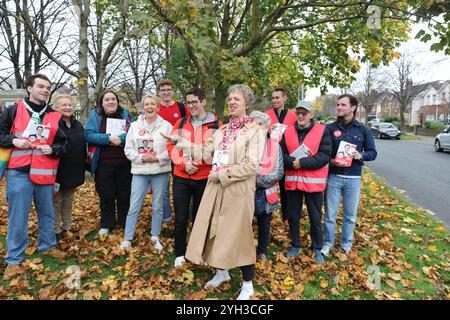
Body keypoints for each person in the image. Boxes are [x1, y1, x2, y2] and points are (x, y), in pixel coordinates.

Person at [163, 84, 265, 300]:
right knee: (215, 231)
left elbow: (251, 166)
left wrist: (222, 174)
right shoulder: (223, 130)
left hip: (237, 190)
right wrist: (179, 142)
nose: (232, 102)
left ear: (247, 102)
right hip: (216, 188)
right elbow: (203, 152)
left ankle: (248, 284)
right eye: (230, 98)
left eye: (237, 99)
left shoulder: (256, 130)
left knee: (239, 235)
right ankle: (222, 272)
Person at [0, 73, 70, 280]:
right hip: (19, 173)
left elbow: (65, 144)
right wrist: (14, 140)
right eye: (41, 86)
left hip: (45, 174)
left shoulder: (54, 115)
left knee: (47, 214)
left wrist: (54, 149)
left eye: (48, 87)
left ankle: (47, 246)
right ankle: (13, 259)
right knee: (18, 217)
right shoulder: (12, 111)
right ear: (29, 88)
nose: (45, 90)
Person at [166, 88, 221, 267]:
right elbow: (171, 145)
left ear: (203, 102)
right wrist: (183, 164)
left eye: (194, 102)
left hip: (204, 178)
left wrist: (202, 165)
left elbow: (220, 151)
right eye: (188, 103)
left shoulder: (217, 125)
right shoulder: (180, 123)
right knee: (181, 217)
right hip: (182, 176)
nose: (191, 106)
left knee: (201, 217)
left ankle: (199, 253)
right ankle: (180, 253)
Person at [322, 94, 377, 256]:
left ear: (353, 108)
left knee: (350, 215)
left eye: (343, 105)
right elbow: (324, 152)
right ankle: (328, 243)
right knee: (330, 214)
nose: (339, 107)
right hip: (333, 177)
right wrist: (332, 161)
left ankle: (346, 244)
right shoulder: (330, 129)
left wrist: (361, 156)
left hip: (353, 179)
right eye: (338, 104)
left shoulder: (363, 130)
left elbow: (373, 153)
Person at [119, 95, 172, 251]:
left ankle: (155, 236)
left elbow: (172, 149)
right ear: (142, 107)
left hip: (160, 171)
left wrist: (157, 158)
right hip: (140, 171)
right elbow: (128, 149)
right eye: (146, 104)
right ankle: (127, 239)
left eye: (152, 104)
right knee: (134, 205)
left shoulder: (167, 126)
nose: (149, 107)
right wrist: (142, 158)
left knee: (157, 205)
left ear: (158, 107)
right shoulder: (135, 126)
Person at [280, 101, 331, 263]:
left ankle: (317, 248)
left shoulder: (322, 131)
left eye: (304, 113)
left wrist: (302, 163)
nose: (300, 116)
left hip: (313, 183)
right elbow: (281, 154)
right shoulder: (287, 132)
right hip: (293, 183)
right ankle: (295, 245)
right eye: (298, 113)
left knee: (315, 217)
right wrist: (291, 162)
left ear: (311, 115)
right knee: (293, 216)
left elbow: (324, 155)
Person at [85, 90, 133, 237]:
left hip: (124, 163)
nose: (111, 102)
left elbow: (134, 132)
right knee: (106, 195)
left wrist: (122, 139)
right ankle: (107, 223)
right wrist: (108, 139)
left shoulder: (126, 114)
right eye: (107, 100)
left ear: (117, 101)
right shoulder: (95, 115)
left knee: (125, 194)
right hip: (103, 163)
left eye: (113, 99)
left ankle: (125, 222)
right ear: (102, 103)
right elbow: (88, 134)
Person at [249, 111, 284, 262]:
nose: (257, 128)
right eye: (254, 124)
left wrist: (257, 180)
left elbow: (279, 172)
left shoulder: (275, 146)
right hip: (247, 191)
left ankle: (262, 251)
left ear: (268, 127)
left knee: (264, 224)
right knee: (244, 224)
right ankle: (245, 250)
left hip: (266, 192)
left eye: (261, 124)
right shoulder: (245, 145)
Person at [52, 94, 86, 241]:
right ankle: (55, 229)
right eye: (63, 105)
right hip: (57, 170)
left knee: (68, 200)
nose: (67, 107)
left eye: (69, 105)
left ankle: (67, 225)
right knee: (56, 201)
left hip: (74, 169)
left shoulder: (78, 124)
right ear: (56, 108)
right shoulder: (53, 124)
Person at [157, 79, 190, 223]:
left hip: (179, 151)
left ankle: (183, 215)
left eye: (168, 89)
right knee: (163, 188)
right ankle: (166, 217)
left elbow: (190, 125)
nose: (166, 92)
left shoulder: (182, 108)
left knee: (180, 186)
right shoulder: (156, 108)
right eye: (163, 90)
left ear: (172, 91)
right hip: (161, 152)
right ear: (159, 92)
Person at [265, 88, 296, 224]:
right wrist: (266, 131)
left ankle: (286, 217)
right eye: (273, 98)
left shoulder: (292, 115)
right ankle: (265, 216)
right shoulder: (266, 115)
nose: (274, 100)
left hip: (287, 156)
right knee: (268, 187)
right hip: (270, 156)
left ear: (284, 98)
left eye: (277, 98)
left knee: (286, 188)